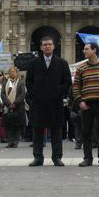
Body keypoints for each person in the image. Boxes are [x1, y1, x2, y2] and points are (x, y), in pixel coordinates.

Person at [26, 36, 71, 167]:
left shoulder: (62, 63)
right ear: (41, 47)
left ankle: (57, 157)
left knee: (56, 131)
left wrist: (59, 92)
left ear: (54, 46)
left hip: (55, 102)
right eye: (44, 44)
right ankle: (38, 157)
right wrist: (34, 94)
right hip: (38, 102)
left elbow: (67, 81)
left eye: (49, 44)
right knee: (37, 131)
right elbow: (28, 82)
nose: (47, 46)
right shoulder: (33, 63)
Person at [73, 42, 99, 167]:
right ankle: (87, 158)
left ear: (94, 50)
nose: (83, 51)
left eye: (86, 49)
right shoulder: (81, 68)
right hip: (86, 104)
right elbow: (76, 86)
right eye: (84, 49)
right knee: (86, 132)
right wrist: (80, 101)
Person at [1, 66, 26, 148]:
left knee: (17, 125)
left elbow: (22, 94)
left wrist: (15, 103)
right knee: (8, 125)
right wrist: (8, 104)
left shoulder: (21, 82)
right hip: (8, 107)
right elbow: (3, 94)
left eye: (13, 71)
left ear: (16, 73)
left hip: (18, 107)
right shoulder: (5, 82)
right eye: (10, 71)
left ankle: (15, 141)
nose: (12, 73)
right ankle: (10, 141)